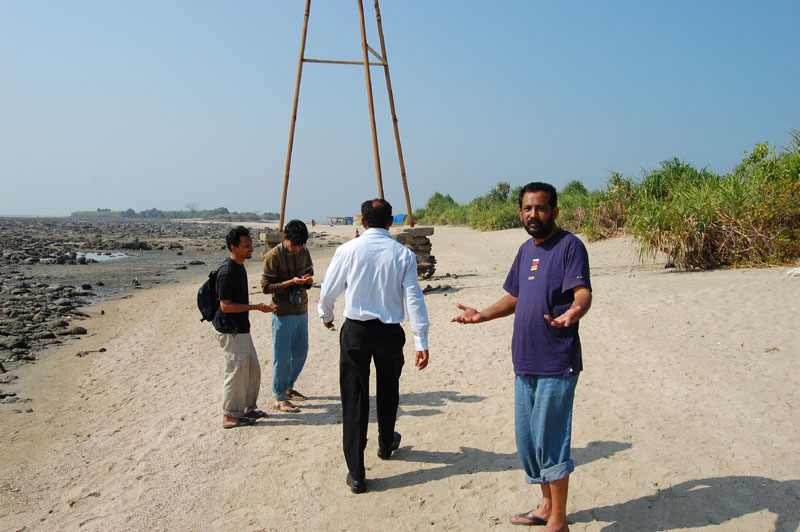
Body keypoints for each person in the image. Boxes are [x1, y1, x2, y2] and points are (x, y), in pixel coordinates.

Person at [452, 182, 591, 532]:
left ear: (554, 211)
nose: (533, 214)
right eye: (527, 209)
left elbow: (582, 292)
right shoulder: (525, 250)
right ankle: (546, 506)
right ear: (520, 212)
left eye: (540, 208)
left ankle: (558, 520)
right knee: (528, 441)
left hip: (556, 360)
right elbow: (515, 296)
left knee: (551, 439)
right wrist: (482, 314)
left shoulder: (570, 246)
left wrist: (574, 311)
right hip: (524, 360)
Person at [318, 198, 430, 494]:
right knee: (388, 389)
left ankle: (357, 472)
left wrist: (326, 315)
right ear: (391, 222)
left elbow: (329, 289)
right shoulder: (403, 255)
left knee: (354, 397)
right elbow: (414, 299)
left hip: (356, 331)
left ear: (363, 221)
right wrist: (421, 340)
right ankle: (385, 442)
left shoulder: (347, 250)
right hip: (389, 332)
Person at [214, 226, 275, 429]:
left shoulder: (239, 267)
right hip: (230, 330)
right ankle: (230, 416)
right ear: (234, 247)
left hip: (241, 329)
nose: (251, 249)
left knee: (251, 370)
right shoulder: (227, 271)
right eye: (246, 246)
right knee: (236, 373)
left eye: (251, 245)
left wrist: (256, 308)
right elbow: (225, 306)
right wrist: (256, 307)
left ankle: (248, 408)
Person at [261, 219, 314, 413]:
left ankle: (288, 387)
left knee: (301, 353)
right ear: (285, 238)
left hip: (301, 309)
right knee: (282, 356)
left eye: (301, 245)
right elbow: (266, 287)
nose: (297, 249)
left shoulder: (304, 251)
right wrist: (290, 282)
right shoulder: (272, 257)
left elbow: (310, 275)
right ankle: (279, 396)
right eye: (294, 245)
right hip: (282, 312)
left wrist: (307, 281)